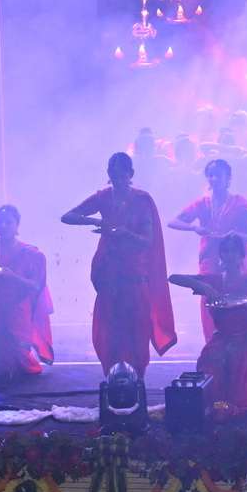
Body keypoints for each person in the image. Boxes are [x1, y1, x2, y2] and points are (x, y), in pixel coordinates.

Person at [63, 152, 176, 378]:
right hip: (108, 272)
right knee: (110, 329)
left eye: (122, 176)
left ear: (130, 175)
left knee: (136, 327)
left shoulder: (142, 200)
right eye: (113, 176)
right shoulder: (103, 197)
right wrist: (95, 220)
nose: (118, 181)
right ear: (108, 174)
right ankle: (113, 376)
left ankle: (137, 378)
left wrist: (125, 233)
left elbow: (148, 240)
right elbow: (68, 216)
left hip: (133, 272)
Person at [169, 234, 247, 418]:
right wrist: (204, 287)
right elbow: (173, 277)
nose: (229, 255)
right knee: (210, 369)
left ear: (242, 255)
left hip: (244, 342)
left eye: (234, 251)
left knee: (241, 398)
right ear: (220, 255)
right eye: (225, 251)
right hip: (221, 340)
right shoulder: (214, 281)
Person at [169, 158, 247, 340]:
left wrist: (235, 235)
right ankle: (212, 344)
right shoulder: (202, 203)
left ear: (228, 178)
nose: (214, 179)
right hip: (209, 260)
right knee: (209, 300)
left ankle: (237, 342)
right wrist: (194, 227)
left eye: (218, 175)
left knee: (236, 301)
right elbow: (173, 222)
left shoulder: (240, 205)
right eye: (210, 175)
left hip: (234, 262)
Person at [0, 204, 52, 384]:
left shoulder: (30, 253)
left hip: (18, 308)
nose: (3, 226)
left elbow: (36, 286)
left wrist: (11, 276)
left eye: (8, 222)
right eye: (0, 222)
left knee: (21, 361)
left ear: (17, 224)